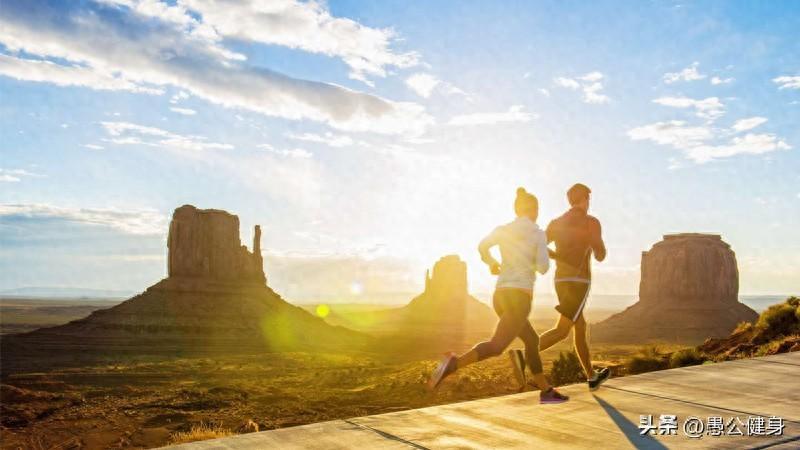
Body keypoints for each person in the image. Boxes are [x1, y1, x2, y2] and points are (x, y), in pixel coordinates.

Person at [428, 187, 569, 404]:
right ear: (534, 210)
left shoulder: (504, 229)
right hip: (519, 298)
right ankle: (454, 363)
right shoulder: (537, 233)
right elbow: (543, 267)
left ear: (516, 210)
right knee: (496, 346)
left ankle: (546, 390)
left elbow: (482, 246)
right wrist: (533, 255)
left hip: (500, 296)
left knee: (531, 340)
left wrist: (492, 263)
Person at [539, 183, 610, 390]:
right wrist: (596, 248)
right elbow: (600, 254)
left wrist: (558, 256)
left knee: (580, 326)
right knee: (562, 330)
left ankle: (591, 376)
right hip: (579, 282)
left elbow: (539, 244)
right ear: (585, 199)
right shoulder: (591, 222)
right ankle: (525, 355)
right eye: (589, 199)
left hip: (560, 280)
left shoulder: (556, 222)